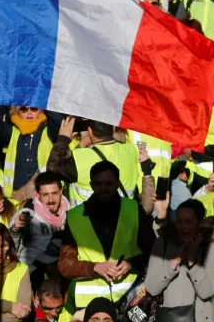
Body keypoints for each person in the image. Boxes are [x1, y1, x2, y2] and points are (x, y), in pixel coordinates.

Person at [57, 161, 155, 310]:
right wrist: (94, 267)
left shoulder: (134, 209)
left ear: (117, 183)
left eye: (108, 184)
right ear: (91, 185)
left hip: (130, 300)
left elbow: (153, 251)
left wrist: (132, 263)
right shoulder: (74, 216)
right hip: (90, 308)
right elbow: (65, 264)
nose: (103, 189)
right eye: (98, 184)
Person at [146, 199, 214, 322]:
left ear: (200, 223)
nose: (183, 226)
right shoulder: (162, 244)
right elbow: (151, 287)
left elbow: (206, 291)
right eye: (179, 221)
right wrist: (173, 263)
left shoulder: (213, 249)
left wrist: (191, 262)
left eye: (188, 222)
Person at [48, 119, 145, 207]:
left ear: (89, 131)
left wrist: (63, 139)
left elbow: (53, 169)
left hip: (87, 221)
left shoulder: (79, 157)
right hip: (122, 218)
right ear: (113, 128)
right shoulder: (131, 150)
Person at [0, 105, 64, 199]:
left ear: (41, 111)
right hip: (16, 196)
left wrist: (43, 98)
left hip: (43, 196)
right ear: (16, 111)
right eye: (23, 109)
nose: (29, 112)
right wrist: (2, 96)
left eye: (34, 108)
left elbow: (58, 120)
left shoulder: (48, 131)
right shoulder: (12, 132)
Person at [9, 172, 70, 279]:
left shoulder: (70, 213)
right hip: (32, 275)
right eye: (45, 195)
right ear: (37, 194)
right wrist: (15, 229)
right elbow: (9, 247)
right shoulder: (27, 214)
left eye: (54, 193)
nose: (51, 200)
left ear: (61, 192)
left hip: (61, 273)